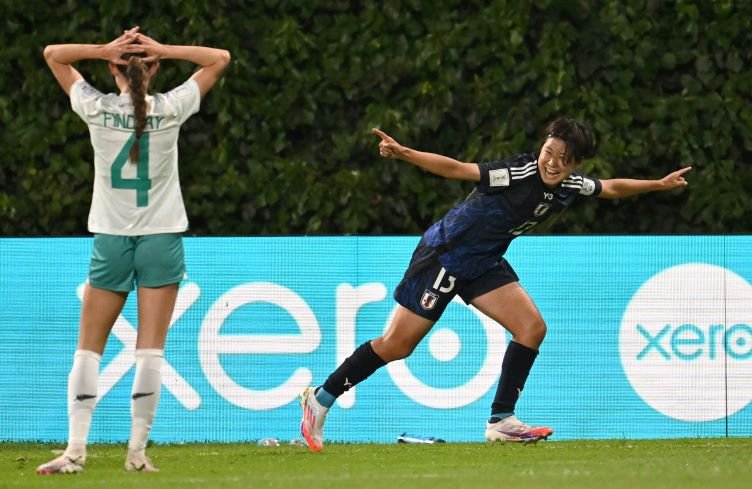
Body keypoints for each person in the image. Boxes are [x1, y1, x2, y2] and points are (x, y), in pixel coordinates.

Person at [300, 118, 692, 451]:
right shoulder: (518, 172)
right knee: (397, 346)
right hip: (445, 254)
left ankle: (502, 420)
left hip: (483, 263)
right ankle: (320, 399)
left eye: (563, 159)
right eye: (548, 152)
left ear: (575, 165)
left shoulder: (570, 186)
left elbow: (610, 187)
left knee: (531, 328)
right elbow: (459, 169)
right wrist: (406, 154)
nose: (552, 163)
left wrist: (657, 184)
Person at [37, 27, 230, 474]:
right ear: (156, 68)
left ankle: (76, 451)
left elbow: (52, 53)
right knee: (150, 352)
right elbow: (218, 57)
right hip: (162, 238)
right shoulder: (171, 108)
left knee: (88, 351)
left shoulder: (96, 106)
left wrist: (103, 49)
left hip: (110, 239)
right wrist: (162, 49)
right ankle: (137, 454)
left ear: (111, 69)